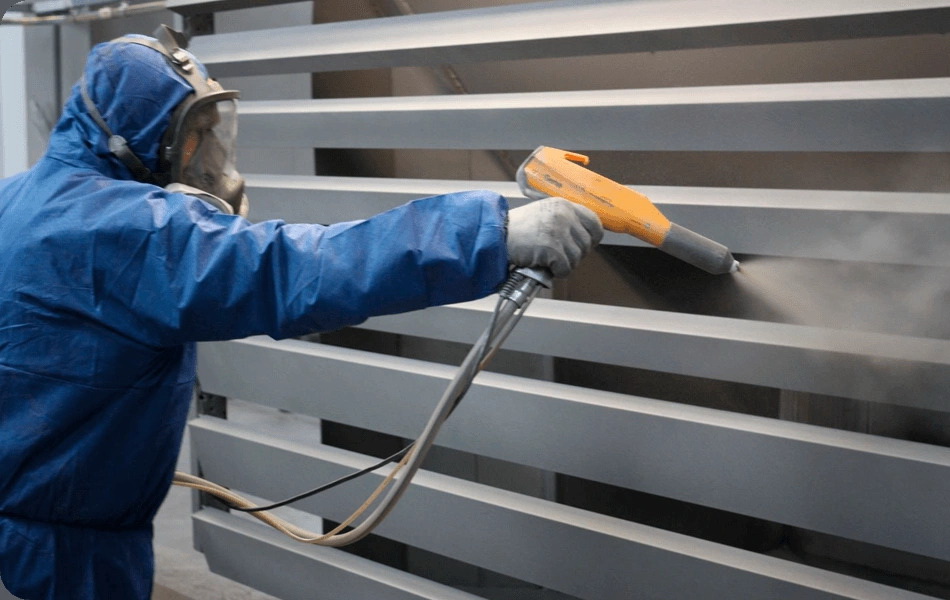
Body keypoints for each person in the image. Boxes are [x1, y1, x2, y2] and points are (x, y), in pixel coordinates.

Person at [0, 26, 602, 600]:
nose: (207, 155)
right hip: (55, 560)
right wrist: (492, 233)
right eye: (194, 136)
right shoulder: (129, 230)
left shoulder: (17, 200)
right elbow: (298, 270)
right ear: (138, 138)